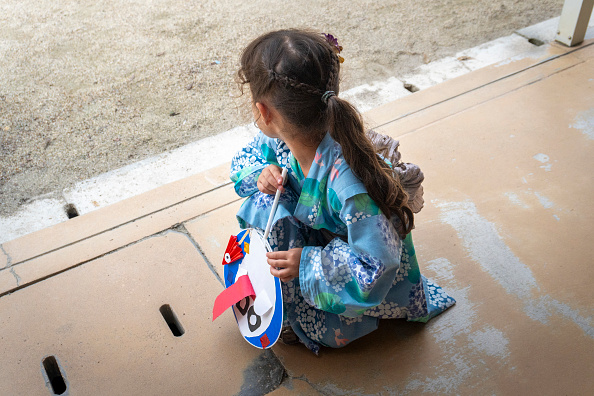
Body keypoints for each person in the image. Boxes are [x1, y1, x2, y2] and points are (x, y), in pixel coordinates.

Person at [230, 29, 455, 354]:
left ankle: (301, 306)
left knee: (329, 330)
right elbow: (246, 160)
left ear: (264, 112)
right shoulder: (287, 135)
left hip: (353, 261)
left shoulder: (349, 184)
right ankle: (286, 291)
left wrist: (307, 264)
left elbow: (375, 267)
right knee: (266, 199)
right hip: (322, 241)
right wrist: (262, 173)